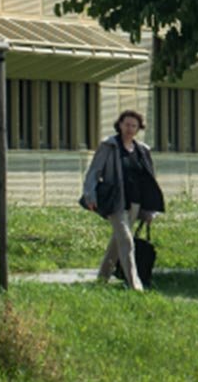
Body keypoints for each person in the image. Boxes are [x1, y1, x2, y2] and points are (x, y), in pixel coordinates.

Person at [83, 109, 164, 289]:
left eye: (133, 126)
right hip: (115, 201)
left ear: (138, 128)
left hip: (135, 202)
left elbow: (149, 179)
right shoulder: (109, 146)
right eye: (126, 124)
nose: (129, 128)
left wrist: (150, 209)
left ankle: (101, 280)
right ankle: (135, 285)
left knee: (117, 243)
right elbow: (94, 171)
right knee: (126, 240)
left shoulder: (142, 150)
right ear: (120, 125)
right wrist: (90, 195)